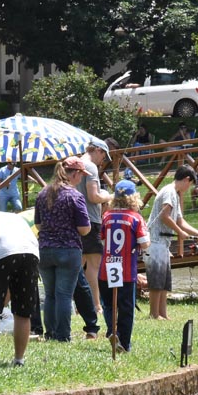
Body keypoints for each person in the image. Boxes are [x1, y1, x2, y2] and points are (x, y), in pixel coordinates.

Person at [145, 167, 198, 320]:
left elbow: (180, 221)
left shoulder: (174, 195)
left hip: (163, 242)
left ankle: (162, 314)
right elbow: (165, 216)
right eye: (190, 184)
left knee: (164, 281)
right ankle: (154, 314)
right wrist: (179, 232)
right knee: (156, 279)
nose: (188, 188)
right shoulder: (169, 192)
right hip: (156, 240)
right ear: (186, 179)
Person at [35, 156, 91, 342]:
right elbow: (84, 229)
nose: (82, 179)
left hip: (44, 250)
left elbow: (39, 225)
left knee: (50, 295)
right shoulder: (75, 196)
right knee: (64, 295)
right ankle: (62, 336)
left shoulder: (42, 193)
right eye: (81, 175)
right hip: (68, 250)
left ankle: (50, 333)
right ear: (75, 174)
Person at [0, 211, 40, 366]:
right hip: (31, 253)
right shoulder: (14, 218)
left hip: (2, 252)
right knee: (23, 311)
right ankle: (19, 359)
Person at [99, 180, 150, 352]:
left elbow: (103, 240)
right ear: (134, 198)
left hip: (106, 269)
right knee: (126, 307)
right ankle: (124, 342)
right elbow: (145, 243)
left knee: (108, 304)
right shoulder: (135, 218)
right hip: (126, 271)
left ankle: (112, 330)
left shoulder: (106, 216)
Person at [72, 140, 113, 339]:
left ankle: (79, 306)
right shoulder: (90, 167)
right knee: (94, 267)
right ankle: (95, 305)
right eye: (103, 156)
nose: (102, 161)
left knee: (78, 266)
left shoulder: (75, 164)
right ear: (97, 151)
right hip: (91, 220)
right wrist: (108, 196)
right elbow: (94, 196)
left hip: (75, 222)